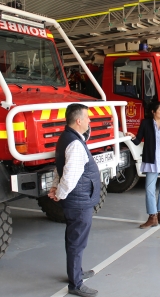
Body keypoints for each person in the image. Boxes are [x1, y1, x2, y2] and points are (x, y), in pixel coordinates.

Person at [48, 103, 99, 297]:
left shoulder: (66, 138)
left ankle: (76, 272)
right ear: (78, 121)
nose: (89, 121)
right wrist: (59, 193)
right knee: (77, 242)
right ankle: (75, 284)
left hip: (78, 200)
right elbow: (69, 176)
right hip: (78, 202)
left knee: (75, 239)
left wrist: (55, 188)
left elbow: (58, 167)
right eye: (87, 118)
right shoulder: (75, 144)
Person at [125, 101, 160, 228]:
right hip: (151, 161)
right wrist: (132, 136)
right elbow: (138, 140)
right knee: (149, 189)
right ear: (153, 112)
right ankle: (152, 216)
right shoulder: (146, 123)